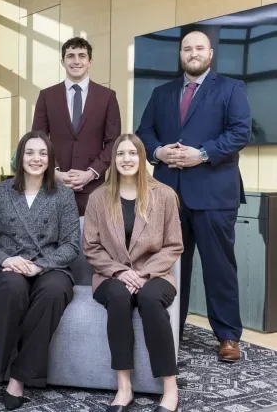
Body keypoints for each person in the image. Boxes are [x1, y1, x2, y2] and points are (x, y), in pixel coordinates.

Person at [136, 31, 251, 362]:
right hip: (168, 196)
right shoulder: (161, 93)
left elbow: (240, 132)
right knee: (168, 267)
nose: (193, 53)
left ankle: (228, 336)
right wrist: (158, 151)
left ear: (210, 54)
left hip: (214, 194)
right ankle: (172, 328)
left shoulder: (231, 88)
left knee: (219, 268)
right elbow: (145, 132)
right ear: (181, 55)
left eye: (199, 48)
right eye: (187, 48)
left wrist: (201, 154)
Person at [0, 130, 80, 411]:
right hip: (10, 267)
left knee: (55, 292)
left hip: (50, 267)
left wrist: (40, 265)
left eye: (43, 153)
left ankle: (19, 377)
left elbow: (71, 245)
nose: (36, 158)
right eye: (30, 152)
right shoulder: (0, 192)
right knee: (11, 288)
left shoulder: (63, 195)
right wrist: (6, 261)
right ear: (20, 157)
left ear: (51, 160)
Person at [83, 134, 182, 412]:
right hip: (110, 276)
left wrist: (144, 274)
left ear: (142, 158)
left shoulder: (164, 195)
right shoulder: (99, 197)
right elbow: (91, 247)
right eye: (120, 154)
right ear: (113, 160)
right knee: (117, 296)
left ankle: (170, 389)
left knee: (150, 300)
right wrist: (118, 272)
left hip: (156, 275)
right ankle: (124, 387)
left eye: (132, 153)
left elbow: (174, 246)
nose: (126, 159)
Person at [32, 37, 121, 216]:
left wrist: (90, 173)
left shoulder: (107, 97)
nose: (76, 61)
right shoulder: (47, 96)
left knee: (91, 242)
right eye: (70, 56)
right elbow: (37, 140)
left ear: (90, 62)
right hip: (54, 184)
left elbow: (113, 142)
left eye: (82, 55)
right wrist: (55, 172)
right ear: (62, 61)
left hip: (93, 188)